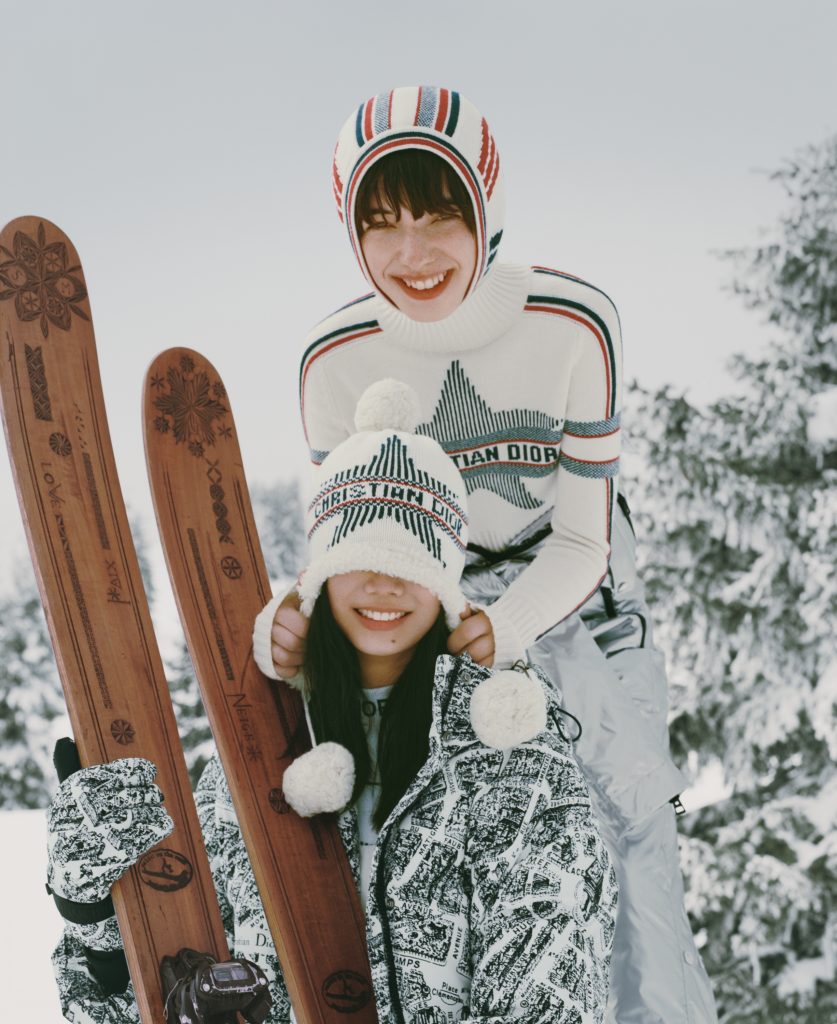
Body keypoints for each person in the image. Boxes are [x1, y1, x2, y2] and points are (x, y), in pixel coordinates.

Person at [255, 86, 717, 1023]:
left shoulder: (572, 323)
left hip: (573, 602)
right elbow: (348, 533)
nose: (412, 253)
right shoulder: (335, 357)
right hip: (427, 612)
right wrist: (290, 610)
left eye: (439, 215)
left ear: (485, 209)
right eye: (381, 224)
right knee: (440, 842)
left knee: (628, 850)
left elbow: (584, 537)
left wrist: (505, 628)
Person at [47, 380, 618, 1024]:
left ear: (445, 583)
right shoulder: (259, 750)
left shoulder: (515, 762)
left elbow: (552, 996)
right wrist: (91, 910)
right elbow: (144, 999)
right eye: (359, 557)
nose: (385, 583)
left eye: (414, 562)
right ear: (319, 574)